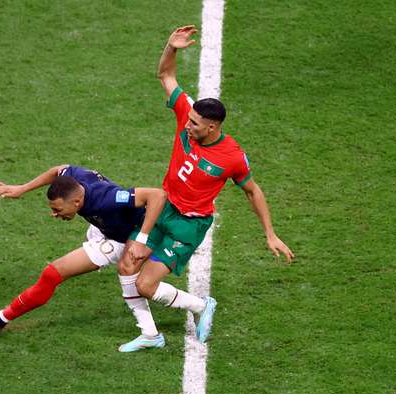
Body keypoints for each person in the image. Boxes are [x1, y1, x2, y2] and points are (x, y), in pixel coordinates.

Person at [116, 25, 295, 350]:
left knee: (144, 285)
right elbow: (165, 76)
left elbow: (253, 191)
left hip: (189, 225)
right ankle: (150, 335)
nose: (187, 125)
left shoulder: (232, 157)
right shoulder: (188, 114)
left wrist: (270, 233)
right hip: (162, 208)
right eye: (189, 120)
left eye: (195, 124)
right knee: (126, 264)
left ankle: (201, 306)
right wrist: (171, 47)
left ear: (212, 127)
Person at [0, 164, 169, 352]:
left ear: (77, 202)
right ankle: (157, 330)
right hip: (105, 227)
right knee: (57, 274)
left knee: (53, 274)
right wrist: (22, 188)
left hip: (122, 238)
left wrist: (141, 240)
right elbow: (58, 170)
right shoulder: (72, 177)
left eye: (58, 209)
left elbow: (156, 195)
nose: (54, 214)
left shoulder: (108, 198)